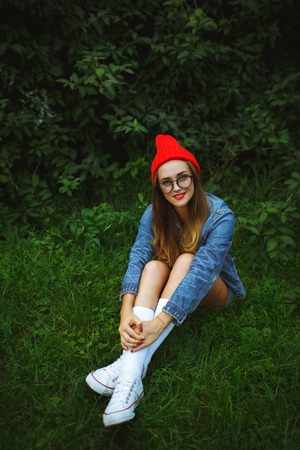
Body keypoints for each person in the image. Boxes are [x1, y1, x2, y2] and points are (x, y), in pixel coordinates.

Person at [86, 134, 246, 427]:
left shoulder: (221, 215)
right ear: (158, 188)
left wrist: (158, 324)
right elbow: (136, 258)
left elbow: (202, 273)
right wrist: (125, 312)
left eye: (182, 178)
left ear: (195, 177)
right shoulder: (154, 214)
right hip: (174, 282)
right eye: (167, 182)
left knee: (187, 260)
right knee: (151, 267)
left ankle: (128, 372)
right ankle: (130, 378)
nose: (176, 188)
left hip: (216, 290)